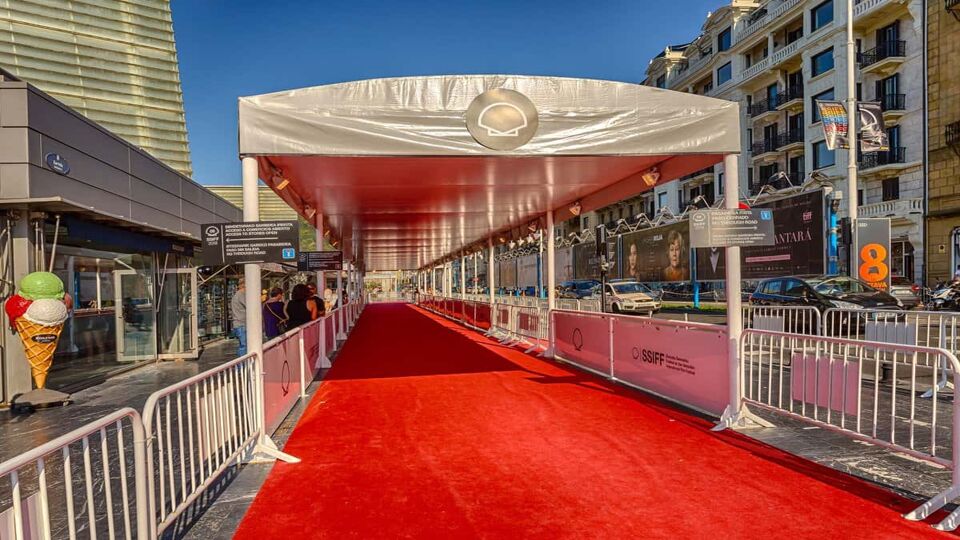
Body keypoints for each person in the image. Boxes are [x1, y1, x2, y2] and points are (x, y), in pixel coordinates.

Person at [230, 279, 247, 356]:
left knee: (243, 345)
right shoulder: (240, 295)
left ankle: (242, 365)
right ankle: (242, 366)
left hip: (239, 324)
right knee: (244, 346)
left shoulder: (238, 295)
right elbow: (250, 305)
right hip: (241, 324)